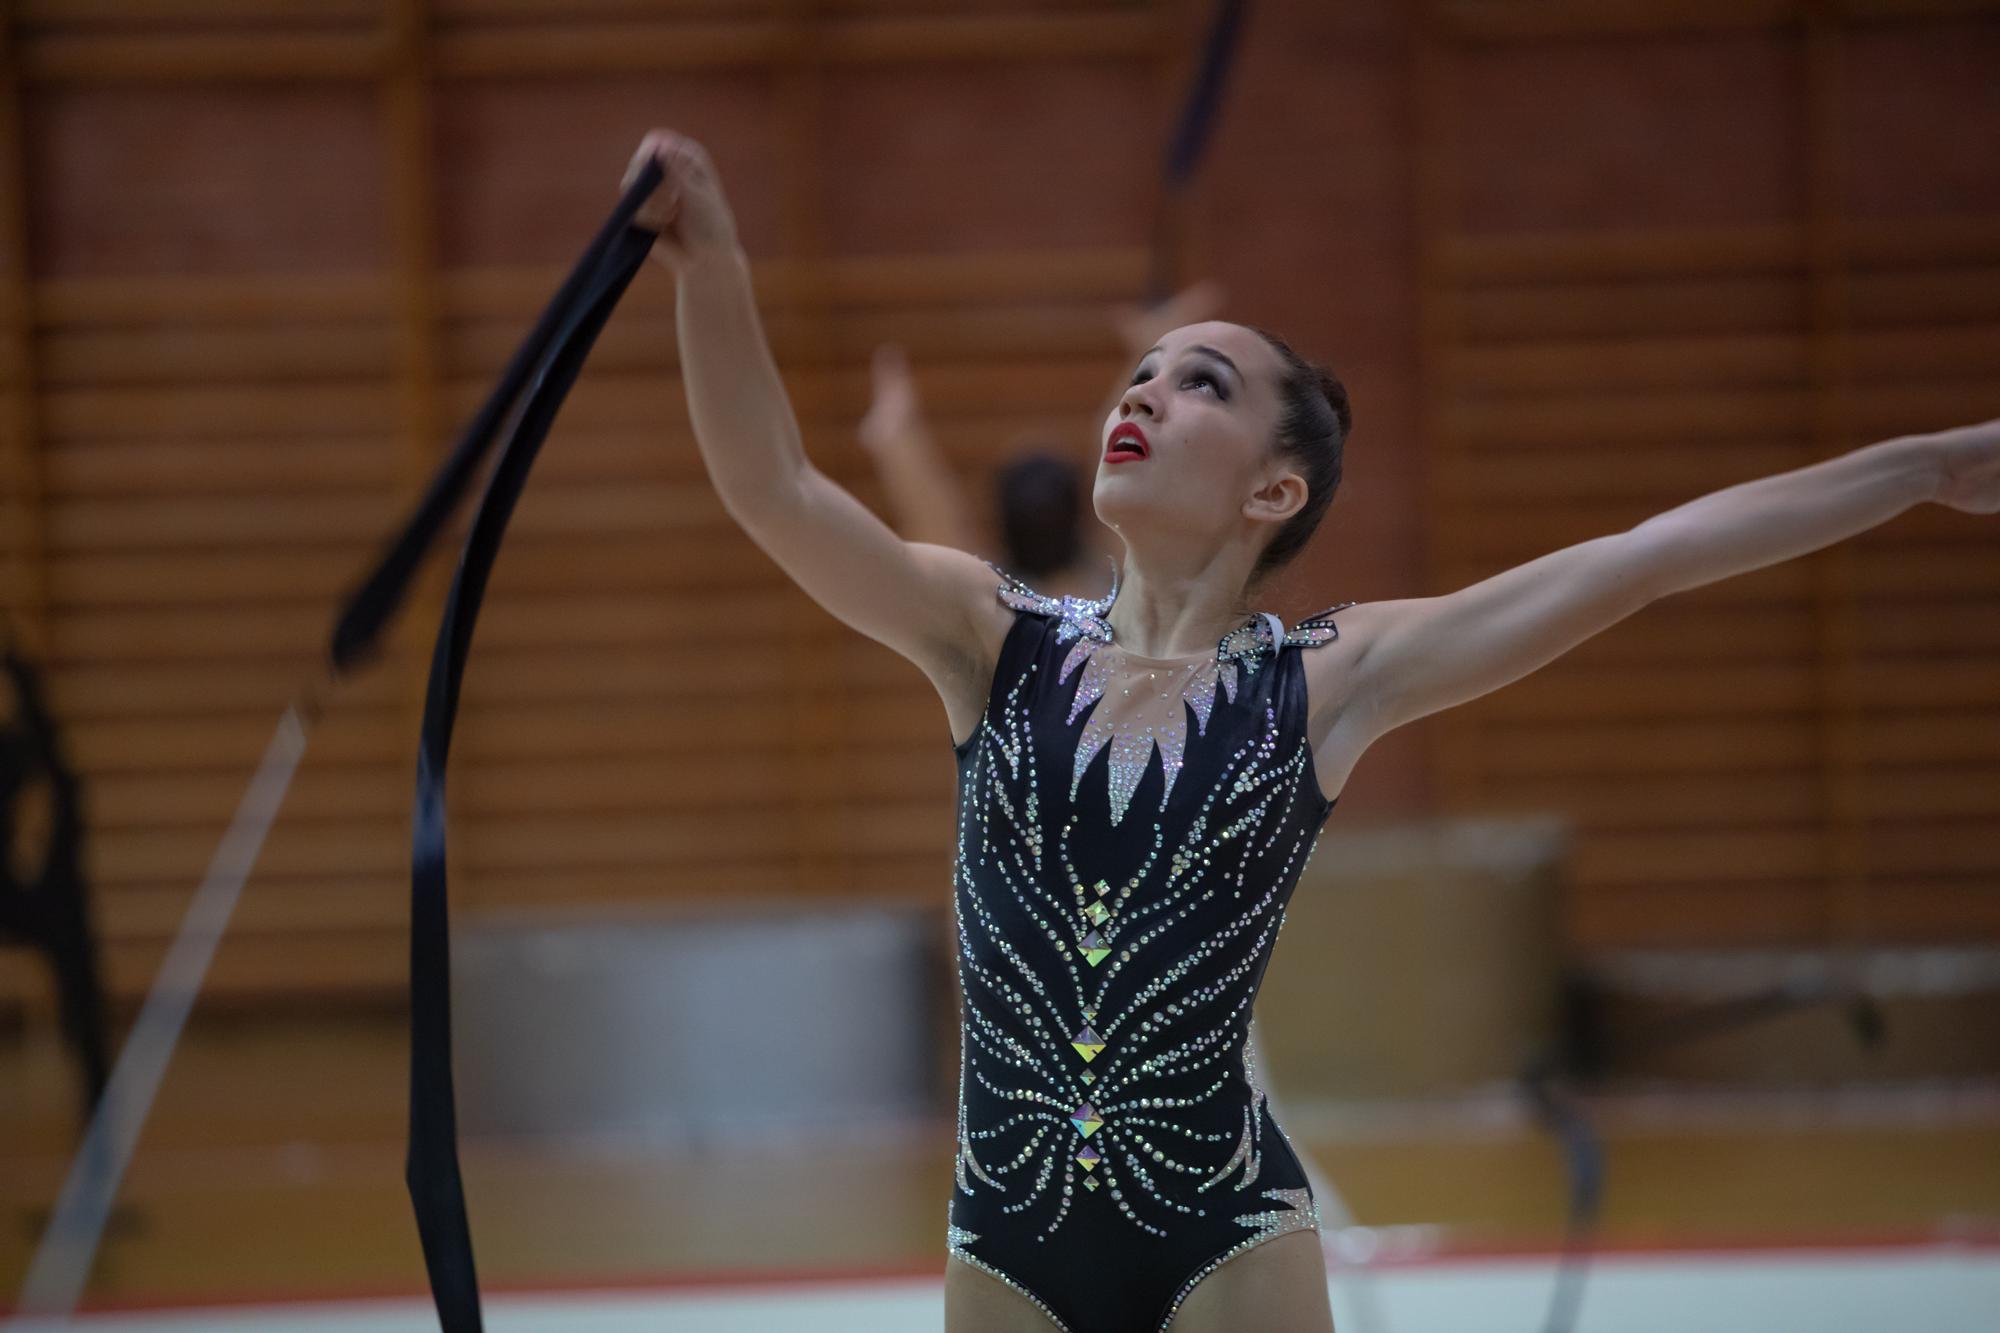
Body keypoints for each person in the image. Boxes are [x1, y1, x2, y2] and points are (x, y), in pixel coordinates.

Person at [621, 128, 1999, 1333]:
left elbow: (1645, 555)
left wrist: (1927, 467)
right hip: (1007, 1246)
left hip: (1226, 1243)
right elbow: (778, 490)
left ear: (1275, 492)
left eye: (1203, 383)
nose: (1147, 391)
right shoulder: (989, 635)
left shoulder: (1327, 680)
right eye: (1144, 374)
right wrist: (712, 264)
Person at [855, 284, 1227, 601]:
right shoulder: (1114, 581)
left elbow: (936, 521)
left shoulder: (991, 602)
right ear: (1080, 515)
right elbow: (1117, 456)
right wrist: (1148, 353)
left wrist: (898, 442)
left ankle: (893, 439)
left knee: (946, 554)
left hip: (1000, 612)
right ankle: (893, 439)